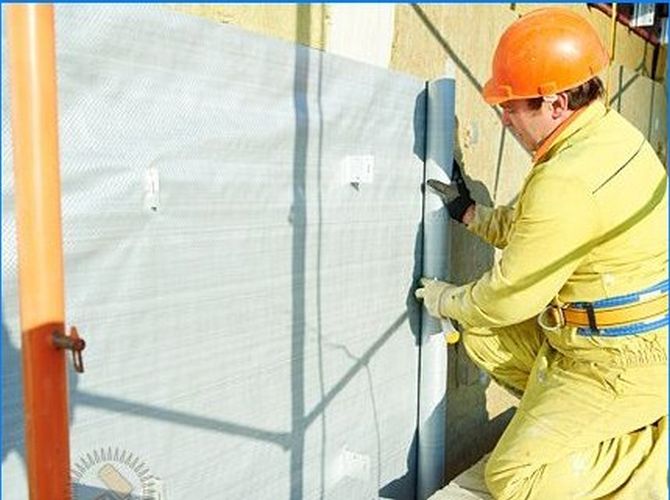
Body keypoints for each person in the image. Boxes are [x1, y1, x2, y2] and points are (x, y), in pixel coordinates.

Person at [415, 7, 668, 499]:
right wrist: (471, 214)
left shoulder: (567, 177)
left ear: (554, 103)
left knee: (512, 479)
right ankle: (568, 423)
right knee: (484, 337)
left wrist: (446, 299)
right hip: (596, 341)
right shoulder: (604, 135)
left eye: (512, 106)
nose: (504, 118)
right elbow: (541, 229)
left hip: (619, 363)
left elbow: (508, 297)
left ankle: (648, 452)